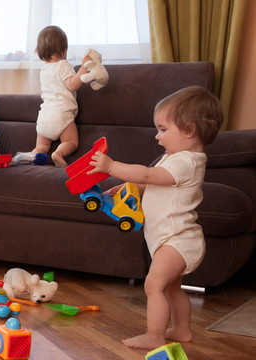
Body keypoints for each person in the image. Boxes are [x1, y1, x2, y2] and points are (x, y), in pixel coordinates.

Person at [88, 86, 223, 349]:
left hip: (178, 241)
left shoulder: (187, 162)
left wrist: (111, 167)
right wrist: (128, 189)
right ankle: (182, 330)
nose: (157, 136)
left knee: (154, 285)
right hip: (172, 239)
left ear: (188, 130)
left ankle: (155, 336)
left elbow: (148, 176)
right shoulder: (173, 158)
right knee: (172, 289)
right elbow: (152, 184)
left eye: (163, 129)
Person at [13, 25, 90, 167]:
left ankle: (32, 155)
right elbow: (73, 84)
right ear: (64, 50)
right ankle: (58, 154)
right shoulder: (63, 65)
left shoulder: (44, 70)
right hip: (61, 115)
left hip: (44, 118)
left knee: (41, 147)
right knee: (71, 142)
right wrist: (84, 68)